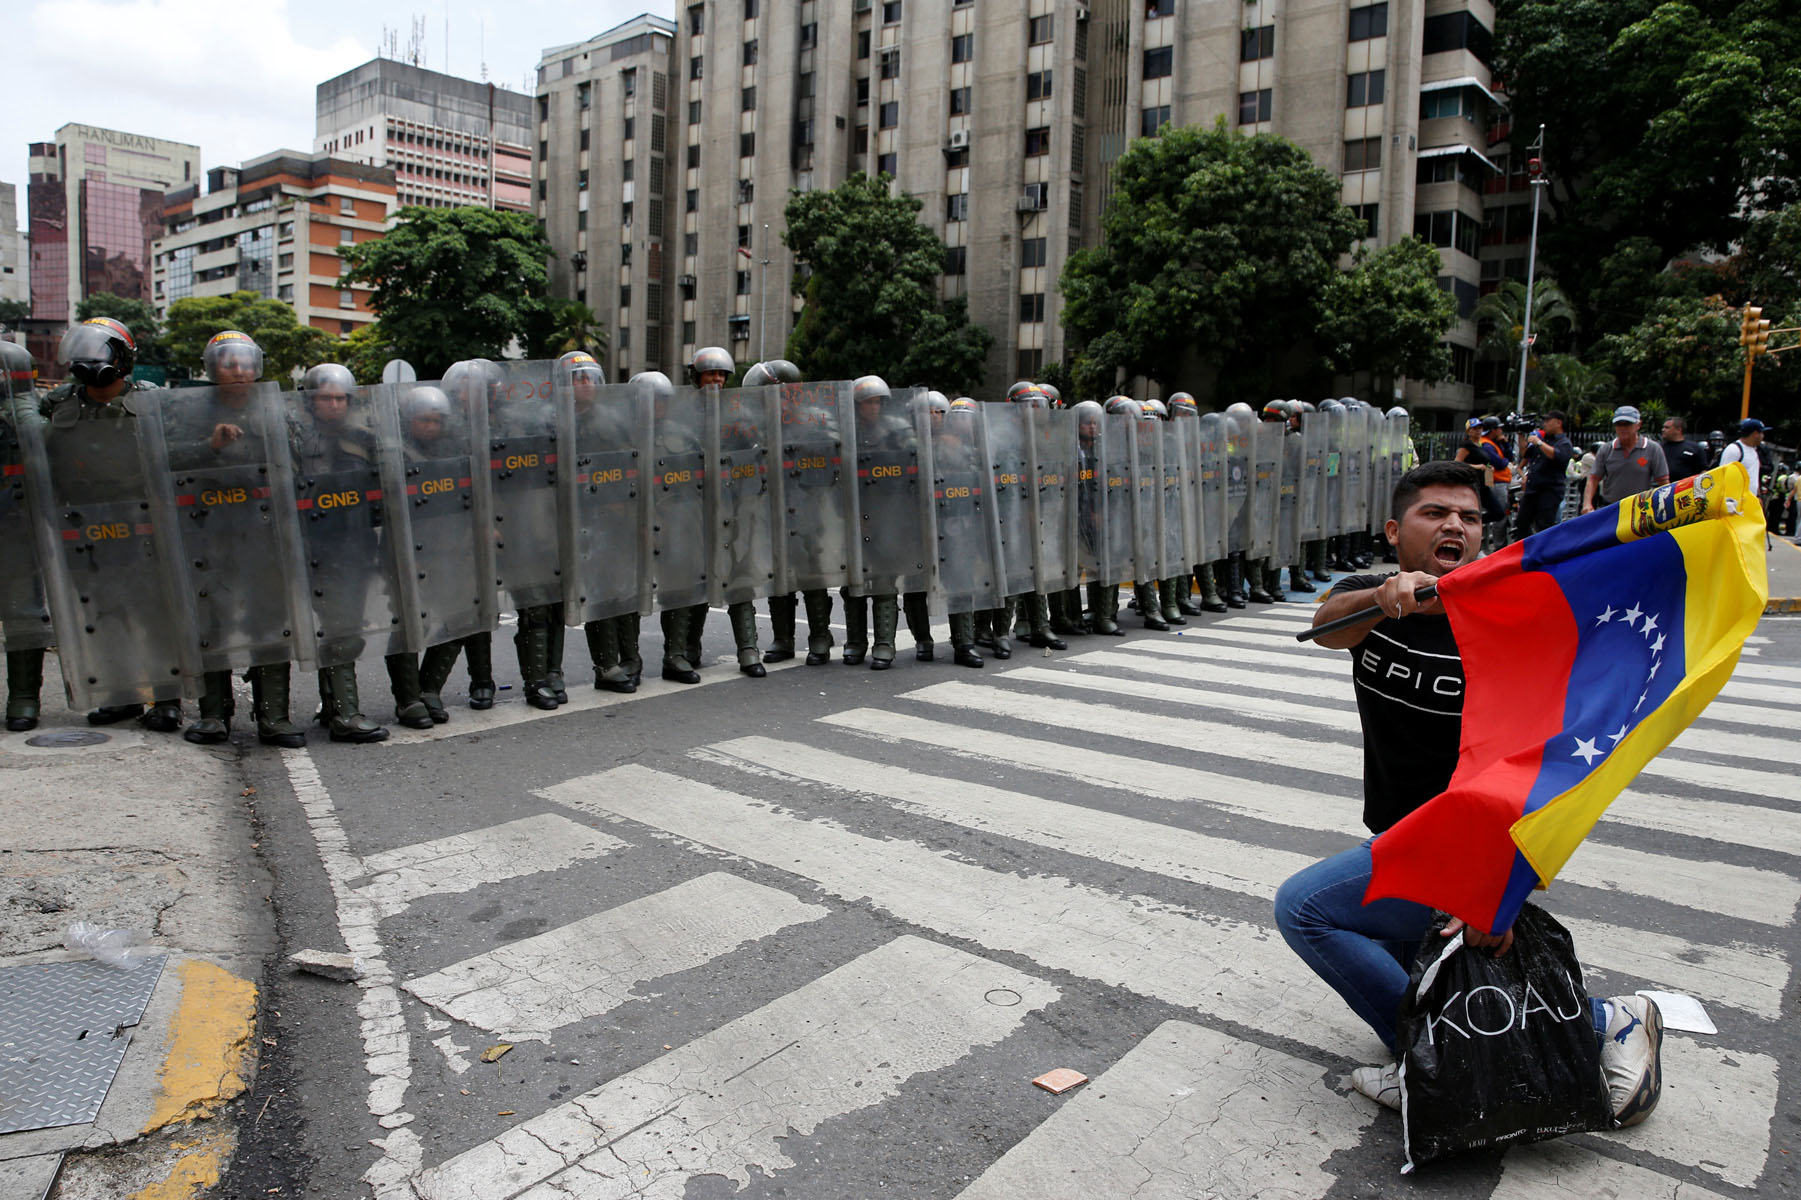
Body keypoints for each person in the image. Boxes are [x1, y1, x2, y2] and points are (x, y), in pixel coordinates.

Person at [1274, 460, 1665, 1128]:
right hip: (1399, 830)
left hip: (1464, 841)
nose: (1454, 525)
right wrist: (1384, 597)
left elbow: (1541, 765)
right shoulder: (1372, 595)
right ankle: (1566, 1026)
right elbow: (1325, 625)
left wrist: (1501, 884)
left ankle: (1478, 1053)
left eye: (1470, 517)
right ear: (1395, 530)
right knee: (1428, 964)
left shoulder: (1508, 617)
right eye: (1435, 513)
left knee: (1304, 910)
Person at [34, 320, 187, 733]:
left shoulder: (152, 401)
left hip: (143, 524)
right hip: (85, 527)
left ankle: (167, 698)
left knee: (154, 613)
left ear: (123, 359)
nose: (91, 363)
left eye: (101, 354)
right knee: (105, 614)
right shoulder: (59, 404)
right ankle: (122, 696)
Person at [292, 363, 390, 741]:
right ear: (310, 401)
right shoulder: (295, 441)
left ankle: (336, 707)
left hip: (352, 546)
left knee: (344, 626)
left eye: (339, 398)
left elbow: (383, 490)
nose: (333, 405)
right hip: (308, 544)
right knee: (335, 628)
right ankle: (343, 713)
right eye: (324, 398)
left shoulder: (366, 440)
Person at [1583, 406, 1670, 515]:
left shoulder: (1652, 449)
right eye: (1619, 424)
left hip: (1641, 509)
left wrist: (1665, 507)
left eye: (1627, 424)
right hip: (1611, 508)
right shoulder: (1606, 449)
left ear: (1638, 425)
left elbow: (1663, 482)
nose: (1623, 428)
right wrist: (1587, 503)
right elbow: (1593, 479)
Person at [1515, 409, 1575, 537]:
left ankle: (1544, 554)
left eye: (1548, 420)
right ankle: (1527, 550)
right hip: (1533, 489)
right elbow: (1525, 453)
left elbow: (1556, 455)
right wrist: (1521, 433)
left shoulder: (1564, 443)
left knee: (1544, 525)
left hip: (1549, 491)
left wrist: (1539, 442)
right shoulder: (1544, 440)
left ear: (1558, 423)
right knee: (1521, 522)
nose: (1544, 423)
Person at [1719, 419, 1766, 497]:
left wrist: (1758, 496)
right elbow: (1723, 475)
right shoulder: (1734, 449)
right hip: (1735, 500)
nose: (1763, 436)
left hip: (1749, 501)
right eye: (1762, 433)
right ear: (1755, 434)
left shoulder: (1754, 450)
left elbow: (1753, 475)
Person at [1659, 416, 1708, 484]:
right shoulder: (1659, 448)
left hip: (1687, 490)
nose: (1663, 430)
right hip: (1662, 489)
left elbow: (1704, 471)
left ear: (1678, 430)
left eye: (1667, 427)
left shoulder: (1695, 448)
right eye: (1663, 427)